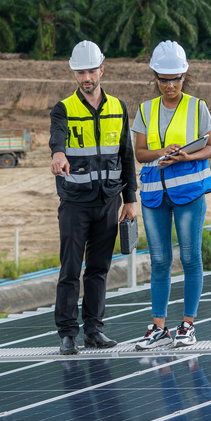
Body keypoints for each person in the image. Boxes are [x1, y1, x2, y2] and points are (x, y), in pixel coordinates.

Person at [50, 40, 138, 355]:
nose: (86, 77)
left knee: (99, 268)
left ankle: (93, 330)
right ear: (74, 73)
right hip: (75, 202)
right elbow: (57, 136)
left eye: (91, 70)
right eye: (80, 72)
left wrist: (130, 199)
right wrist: (58, 153)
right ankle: (67, 334)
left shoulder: (118, 107)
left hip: (109, 200)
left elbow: (126, 155)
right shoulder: (63, 108)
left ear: (102, 69)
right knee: (70, 268)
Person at [132, 40, 211, 350]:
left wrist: (184, 157)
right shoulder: (145, 110)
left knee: (190, 257)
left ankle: (187, 325)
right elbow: (140, 153)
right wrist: (161, 152)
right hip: (155, 194)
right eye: (164, 79)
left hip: (189, 193)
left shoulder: (198, 107)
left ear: (185, 76)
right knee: (159, 260)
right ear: (155, 78)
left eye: (176, 78)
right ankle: (158, 328)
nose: (170, 85)